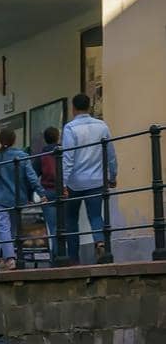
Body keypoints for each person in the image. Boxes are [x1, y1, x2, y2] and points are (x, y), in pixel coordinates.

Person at [61, 93, 117, 262]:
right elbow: (111, 155)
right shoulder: (102, 126)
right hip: (96, 180)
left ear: (74, 108)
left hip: (75, 183)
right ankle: (100, 243)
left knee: (71, 218)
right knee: (95, 216)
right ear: (89, 107)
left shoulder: (70, 128)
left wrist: (63, 182)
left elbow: (68, 158)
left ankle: (73, 257)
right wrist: (112, 175)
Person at [0, 126, 41, 269]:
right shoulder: (22, 156)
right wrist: (41, 193)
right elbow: (31, 177)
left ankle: (9, 259)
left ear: (0, 140)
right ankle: (8, 258)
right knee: (14, 229)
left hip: (0, 197)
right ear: (14, 140)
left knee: (4, 228)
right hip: (18, 197)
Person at [32, 126, 62, 257]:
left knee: (53, 227)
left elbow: (33, 175)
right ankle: (68, 255)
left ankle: (55, 256)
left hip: (48, 191)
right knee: (67, 225)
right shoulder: (63, 152)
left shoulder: (41, 156)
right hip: (63, 190)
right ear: (58, 137)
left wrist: (35, 193)